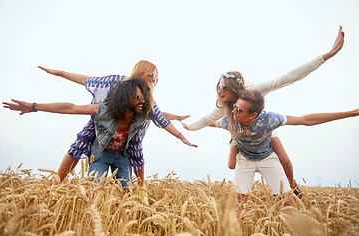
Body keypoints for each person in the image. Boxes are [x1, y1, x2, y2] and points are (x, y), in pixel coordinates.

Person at [183, 26, 345, 192]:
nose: (220, 91)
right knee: (232, 164)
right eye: (219, 87)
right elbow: (207, 120)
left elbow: (286, 79)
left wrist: (327, 55)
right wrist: (188, 127)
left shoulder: (255, 93)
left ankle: (291, 185)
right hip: (239, 131)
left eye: (224, 88)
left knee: (285, 161)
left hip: (261, 128)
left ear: (233, 88)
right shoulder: (223, 108)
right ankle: (247, 161)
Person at [37, 60, 196, 187]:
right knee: (80, 144)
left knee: (136, 152)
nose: (155, 79)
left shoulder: (147, 99)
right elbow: (88, 81)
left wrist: (179, 130)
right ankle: (55, 186)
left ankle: (140, 191)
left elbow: (160, 117)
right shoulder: (116, 82)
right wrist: (61, 73)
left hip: (127, 138)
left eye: (157, 77)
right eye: (153, 75)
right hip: (102, 122)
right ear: (142, 72)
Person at [214, 90, 358, 202]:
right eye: (234, 107)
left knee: (287, 201)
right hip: (245, 158)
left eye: (239, 110)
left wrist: (350, 113)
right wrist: (190, 126)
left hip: (266, 157)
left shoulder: (270, 119)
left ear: (253, 115)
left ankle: (291, 183)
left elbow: (306, 120)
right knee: (239, 202)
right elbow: (210, 121)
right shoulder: (230, 121)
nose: (233, 111)